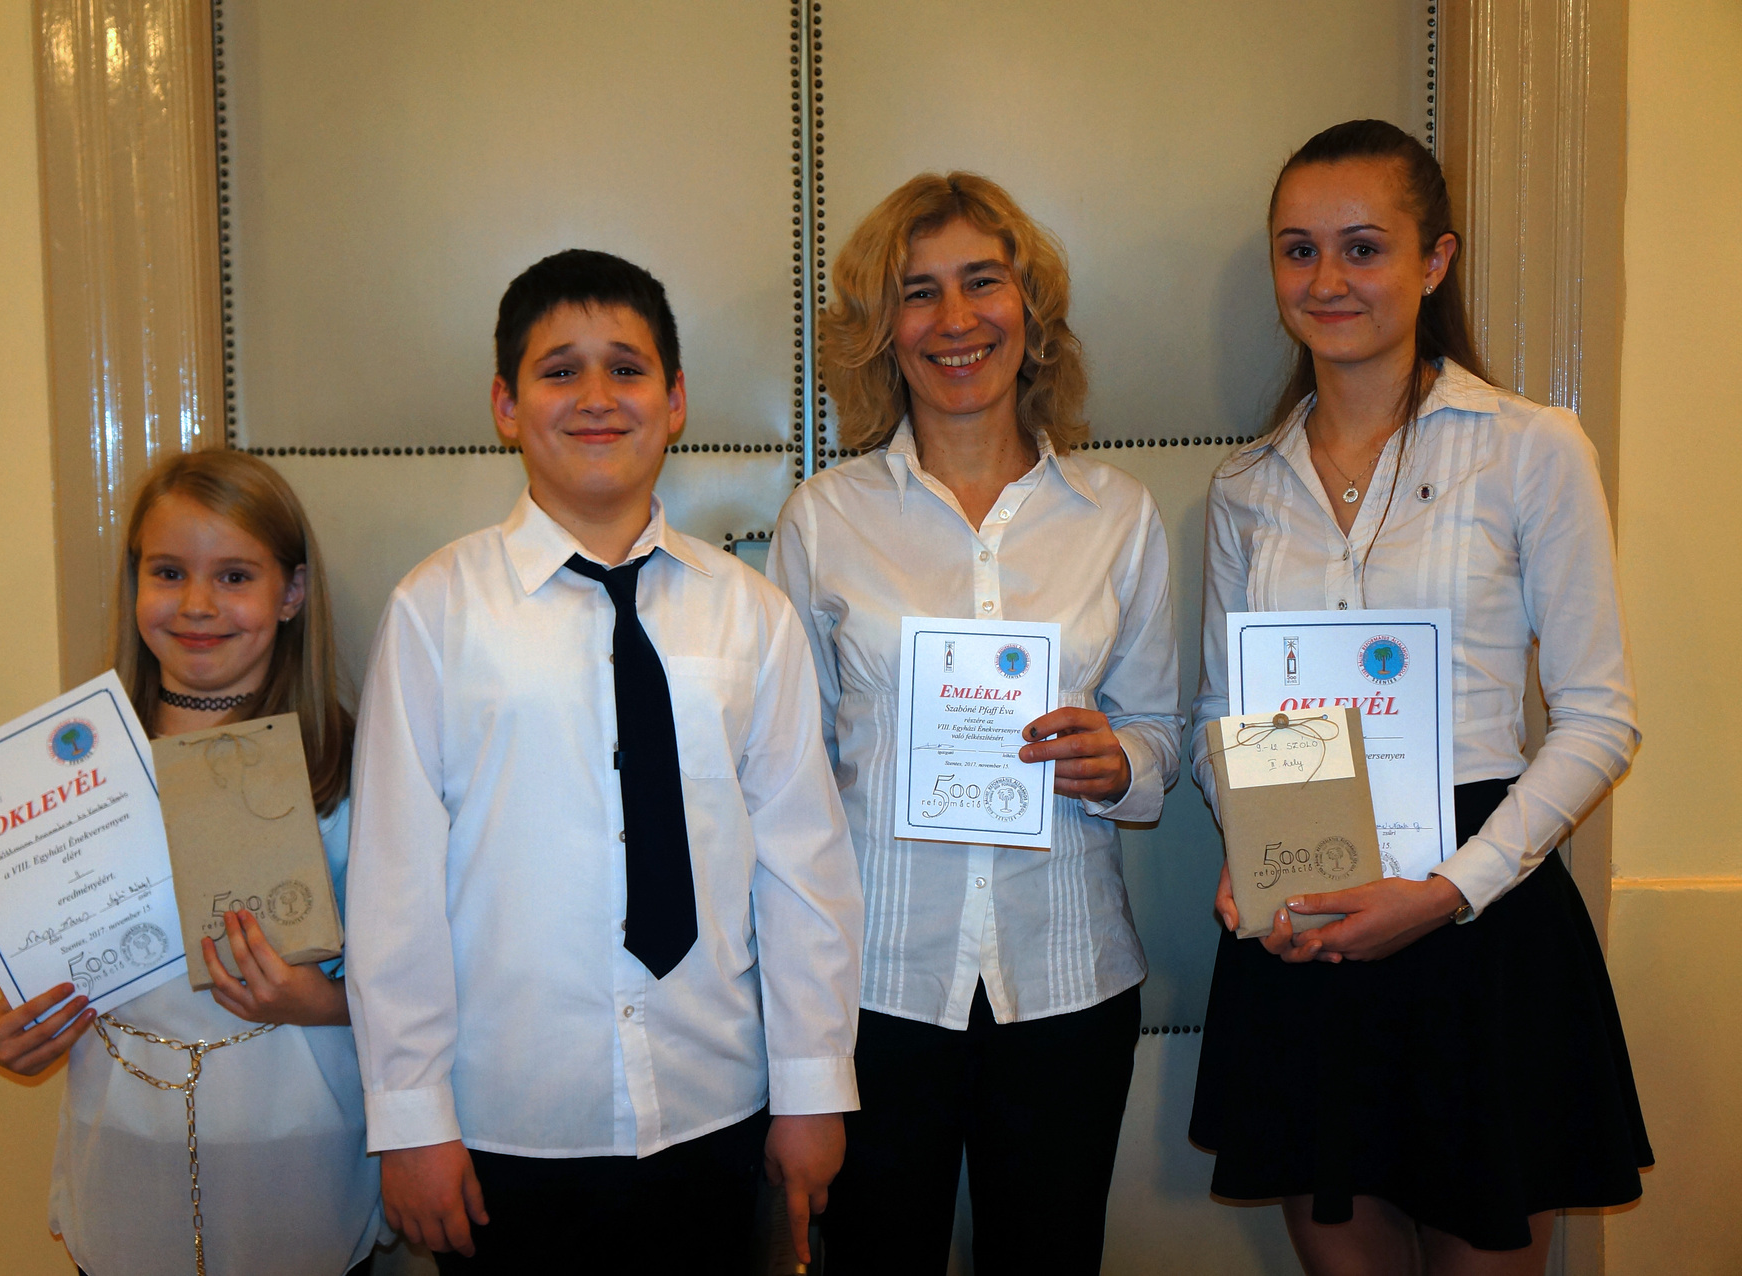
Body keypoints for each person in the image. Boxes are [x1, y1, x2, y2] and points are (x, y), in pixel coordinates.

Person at [1188, 119, 1651, 1275]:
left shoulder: (1530, 449)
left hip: (1482, 917)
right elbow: (1218, 716)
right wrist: (1252, 845)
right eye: (1299, 250)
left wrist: (1449, 890)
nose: (1326, 280)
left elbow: (1600, 718)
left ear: (1435, 260)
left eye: (1363, 247)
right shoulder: (1245, 488)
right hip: (1304, 915)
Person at [344, 248, 864, 1274]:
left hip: (714, 1106)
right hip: (506, 1123)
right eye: (559, 371)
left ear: (675, 402)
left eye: (626, 369)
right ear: (506, 404)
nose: (595, 397)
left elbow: (804, 868)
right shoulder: (436, 612)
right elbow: (393, 887)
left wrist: (814, 1089)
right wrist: (409, 1117)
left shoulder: (750, 616)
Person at [768, 172, 1183, 1274]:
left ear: (1030, 312)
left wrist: (1119, 762)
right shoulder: (823, 520)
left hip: (1068, 983)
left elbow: (1159, 734)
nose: (955, 320)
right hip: (876, 988)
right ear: (884, 330)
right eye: (919, 293)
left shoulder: (1119, 517)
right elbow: (789, 775)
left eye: (982, 283)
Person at [0, 450, 384, 1276]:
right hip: (125, 1164)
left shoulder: (351, 765)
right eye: (168, 573)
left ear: (291, 593)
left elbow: (419, 989)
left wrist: (322, 1002)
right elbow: (49, 957)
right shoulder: (70, 775)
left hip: (301, 1168)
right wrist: (3, 1032)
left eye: (235, 576)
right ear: (136, 586)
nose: (198, 604)